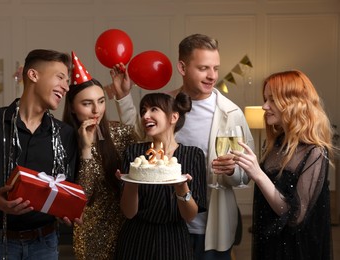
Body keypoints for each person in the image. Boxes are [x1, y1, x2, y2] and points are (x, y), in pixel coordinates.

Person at [111, 33, 254, 259]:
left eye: (215, 68)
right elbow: (138, 138)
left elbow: (247, 173)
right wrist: (123, 96)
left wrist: (233, 171)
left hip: (209, 228)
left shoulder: (231, 114)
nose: (212, 76)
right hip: (164, 227)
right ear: (182, 67)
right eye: (204, 68)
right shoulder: (166, 106)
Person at [0, 49, 79, 260]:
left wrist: (67, 209)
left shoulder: (65, 134)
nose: (66, 86)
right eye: (60, 77)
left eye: (68, 80)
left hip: (45, 245)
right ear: (33, 75)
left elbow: (66, 188)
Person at [232, 70, 334, 259]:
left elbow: (295, 217)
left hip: (295, 251)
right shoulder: (275, 144)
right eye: (265, 99)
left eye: (272, 100)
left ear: (293, 103)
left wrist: (259, 174)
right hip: (269, 243)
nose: (264, 106)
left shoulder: (315, 153)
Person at [62, 52, 137, 259]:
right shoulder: (64, 141)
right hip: (90, 236)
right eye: (87, 103)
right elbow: (80, 199)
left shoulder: (119, 133)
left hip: (126, 230)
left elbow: (144, 140)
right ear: (73, 108)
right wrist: (86, 151)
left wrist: (124, 95)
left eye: (101, 101)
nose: (97, 110)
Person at [114, 92, 207, 260]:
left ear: (173, 117)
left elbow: (190, 216)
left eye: (153, 109)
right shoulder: (134, 153)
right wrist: (131, 182)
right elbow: (128, 212)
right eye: (143, 111)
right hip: (136, 239)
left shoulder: (193, 155)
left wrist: (181, 188)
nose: (145, 116)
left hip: (174, 240)